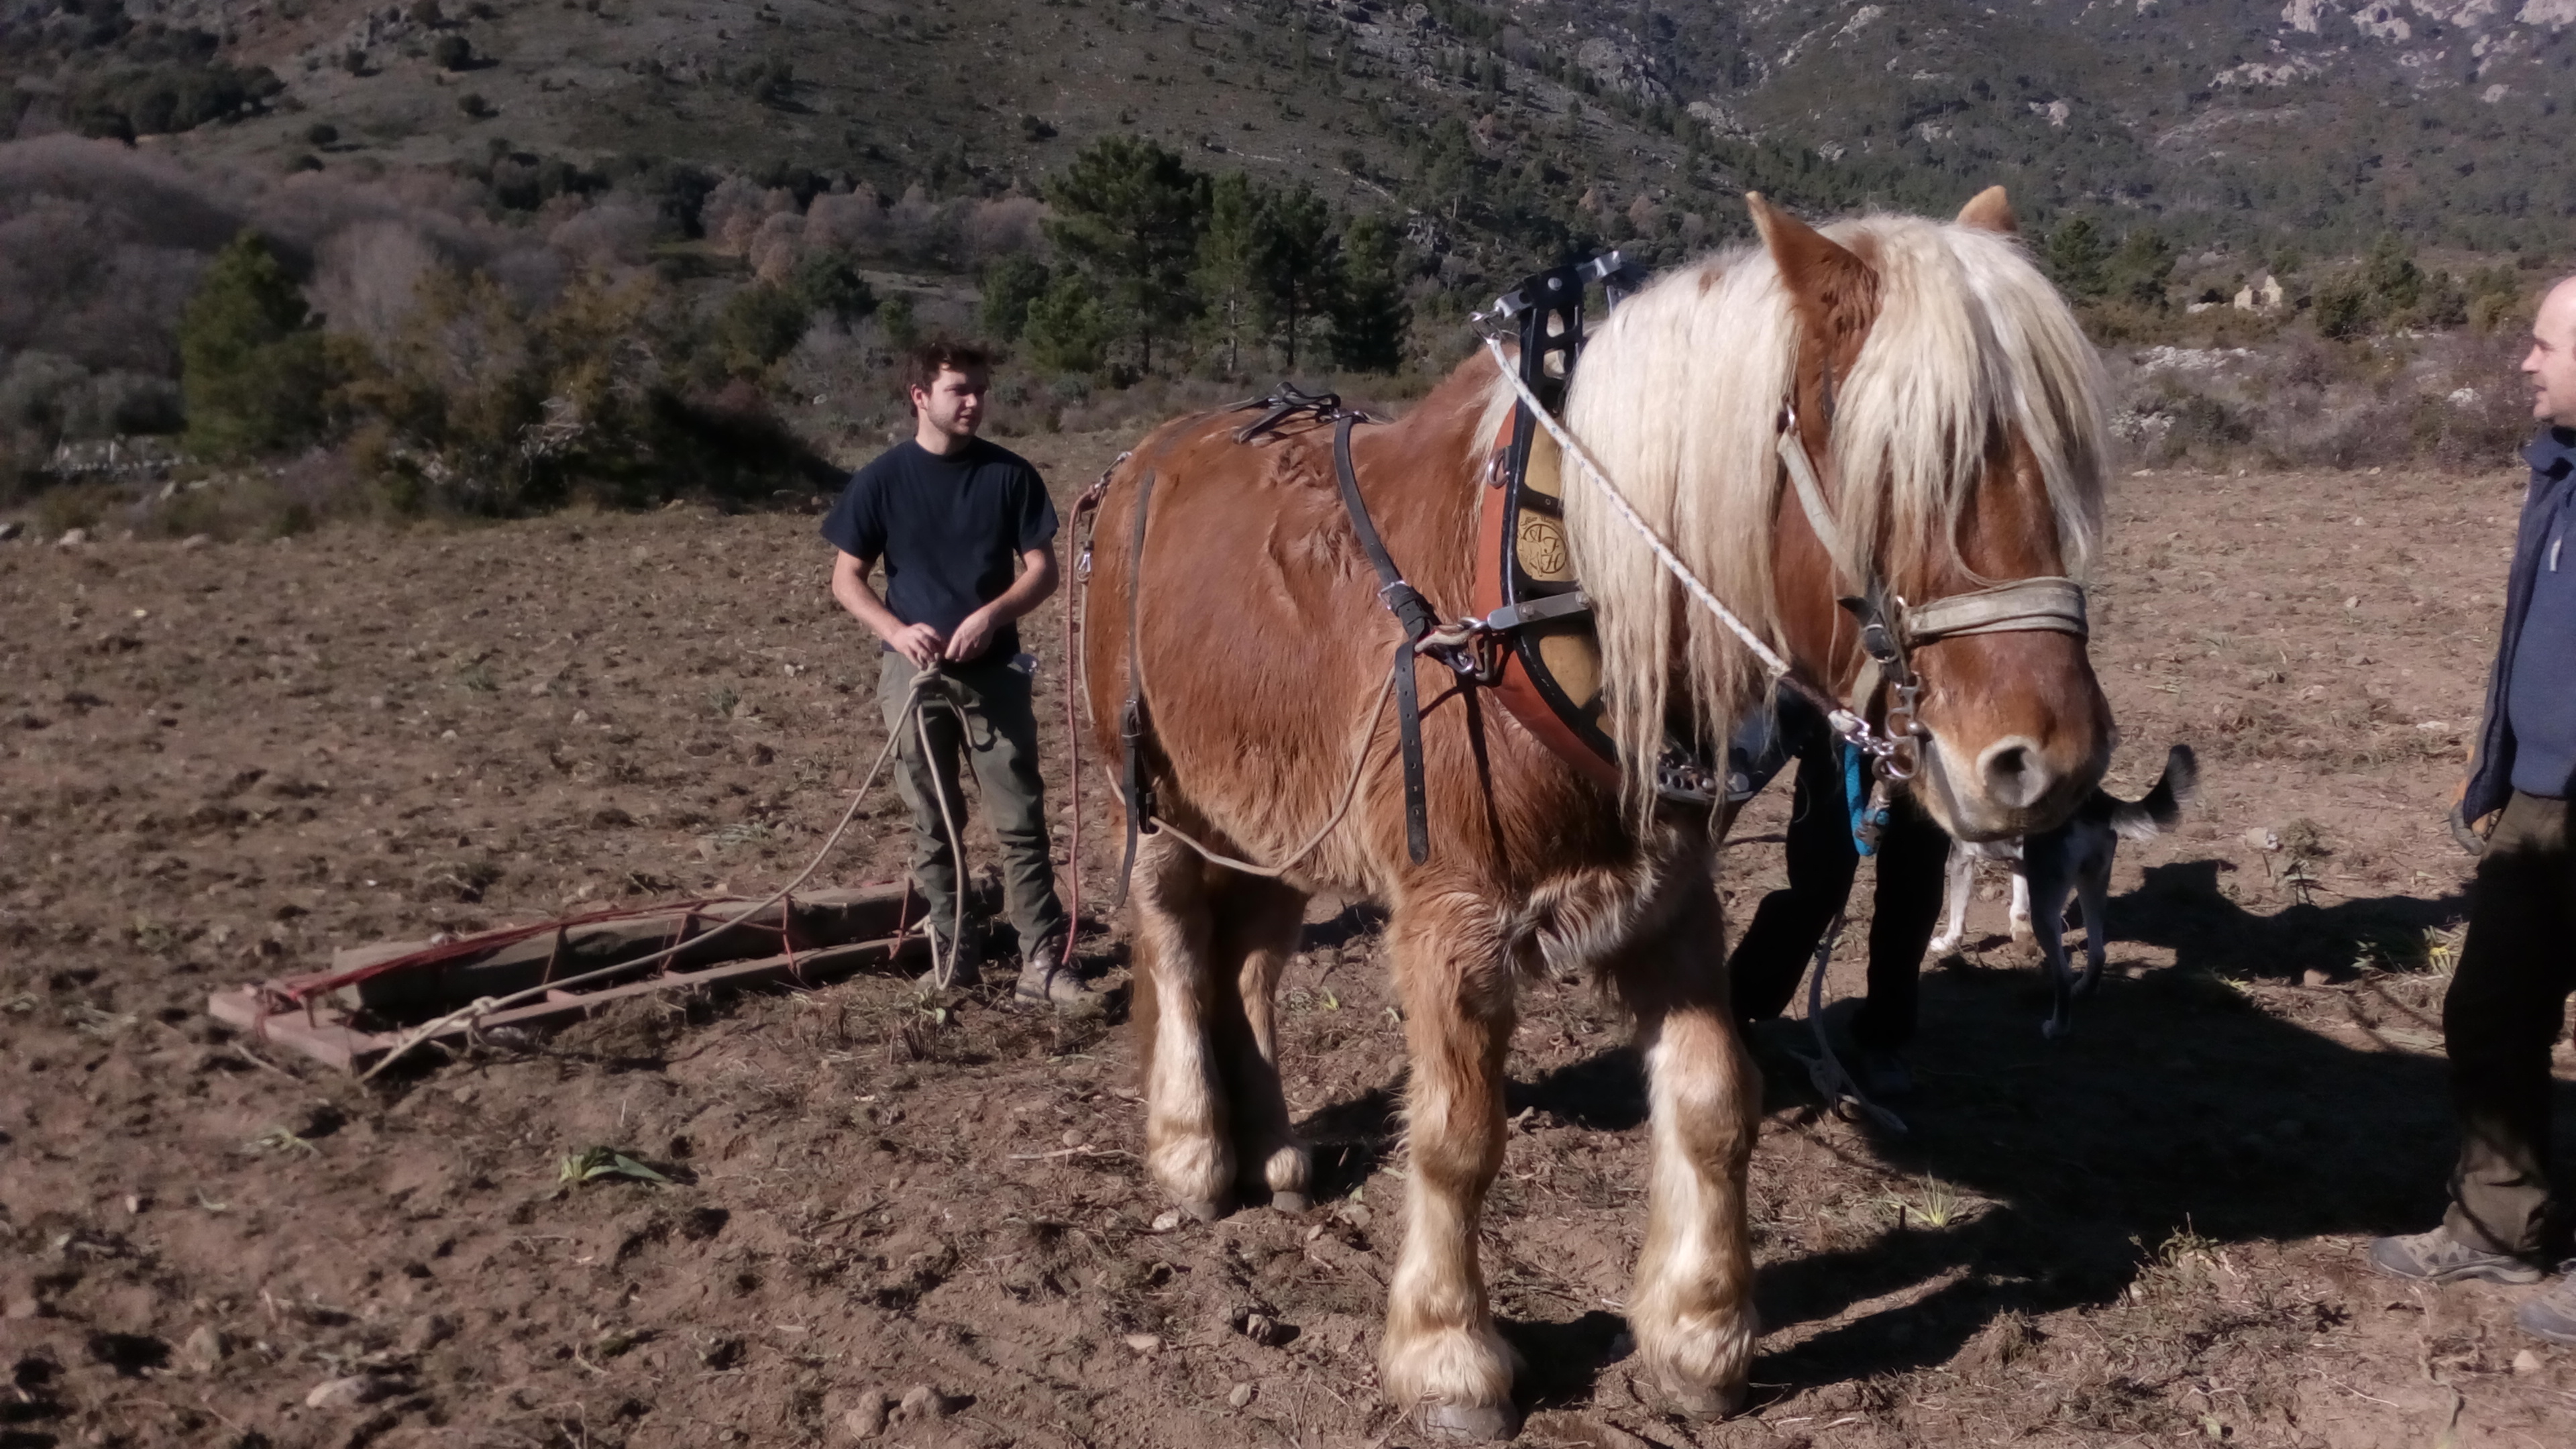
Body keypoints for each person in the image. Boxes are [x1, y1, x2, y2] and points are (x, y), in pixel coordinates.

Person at [2371, 276, 2576, 1344]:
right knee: (2490, 1011)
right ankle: (2500, 1227)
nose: (2525, 365)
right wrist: (2496, 767)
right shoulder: (2563, 474)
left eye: (2544, 346)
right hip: (2544, 799)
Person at [823, 338, 1083, 1004]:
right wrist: (896, 630)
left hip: (995, 674)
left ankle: (1042, 961)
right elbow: (846, 580)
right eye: (959, 390)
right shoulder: (882, 480)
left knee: (1021, 818)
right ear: (920, 397)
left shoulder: (1010, 476)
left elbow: (1043, 572)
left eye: (980, 390)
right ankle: (953, 956)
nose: (974, 402)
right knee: (933, 821)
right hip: (912, 681)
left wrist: (992, 617)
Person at [1724, 686, 1950, 1097]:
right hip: (1841, 744)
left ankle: (1885, 1036)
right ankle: (1737, 1004)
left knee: (1912, 899)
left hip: (1932, 750)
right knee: (1815, 889)